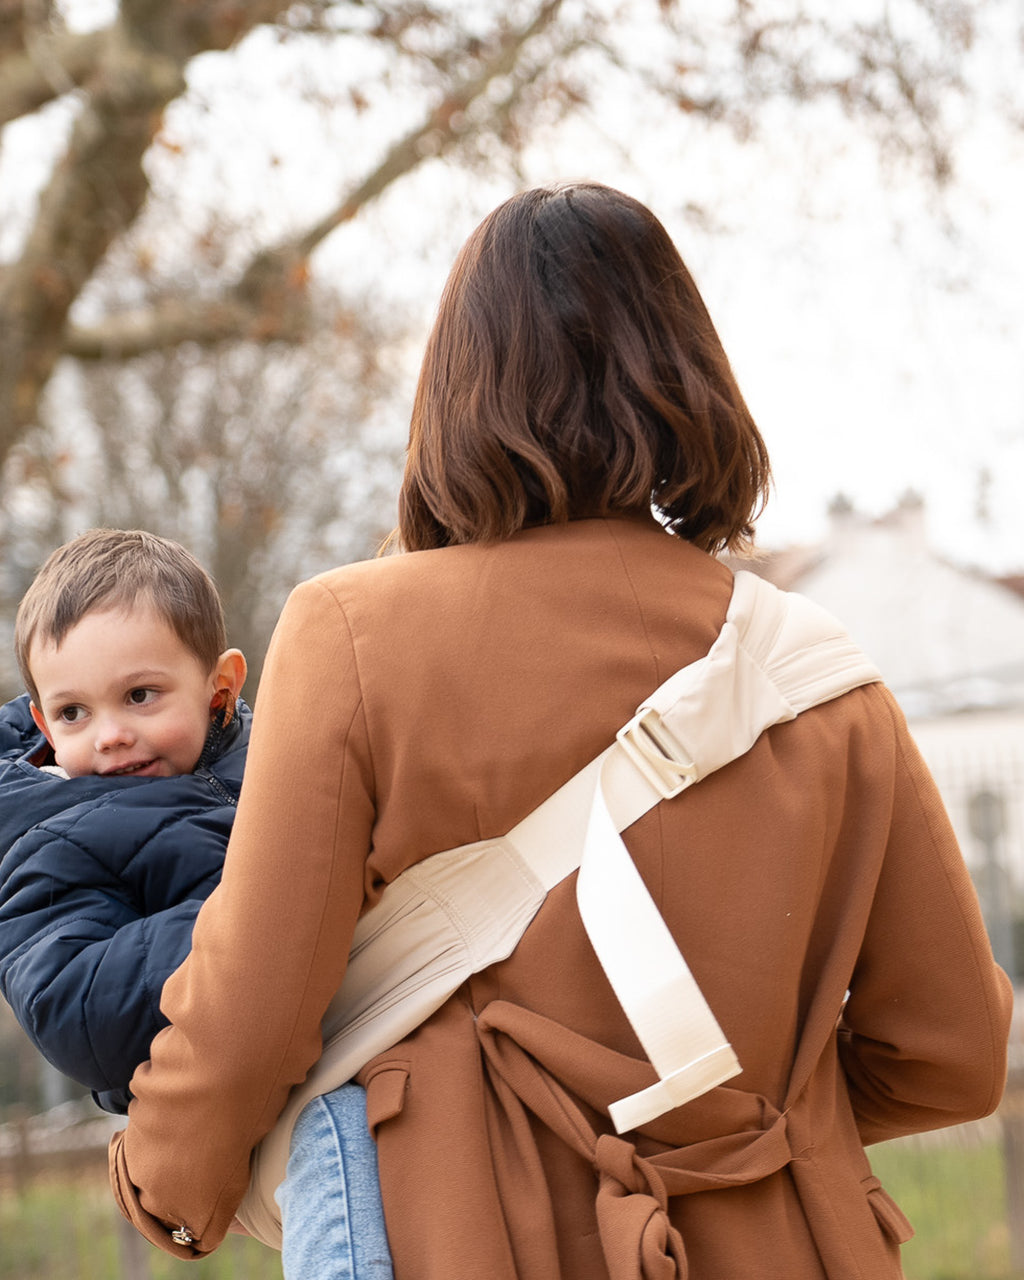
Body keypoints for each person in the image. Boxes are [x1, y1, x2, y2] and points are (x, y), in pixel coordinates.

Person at [110, 184, 1012, 1280]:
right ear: (689, 378)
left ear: (453, 391)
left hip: (462, 1231)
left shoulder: (352, 635)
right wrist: (754, 1123)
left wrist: (162, 1180)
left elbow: (250, 1011)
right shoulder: (816, 674)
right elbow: (956, 1051)